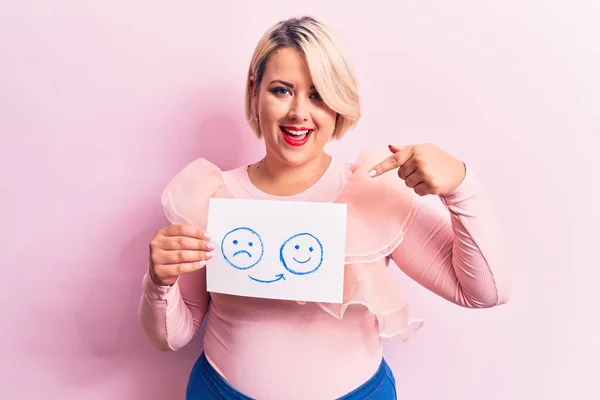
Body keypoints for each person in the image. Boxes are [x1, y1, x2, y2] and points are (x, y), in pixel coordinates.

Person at [138, 16, 510, 400]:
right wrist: (158, 282)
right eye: (282, 90)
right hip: (220, 391)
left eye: (318, 95)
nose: (299, 112)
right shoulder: (211, 195)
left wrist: (462, 186)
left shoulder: (372, 192)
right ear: (255, 91)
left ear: (338, 104)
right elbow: (172, 336)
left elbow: (485, 292)